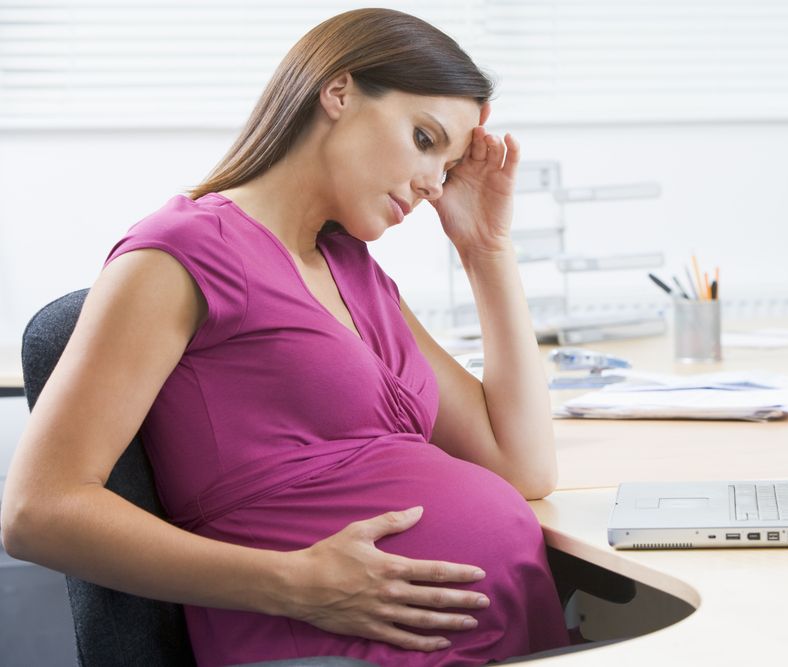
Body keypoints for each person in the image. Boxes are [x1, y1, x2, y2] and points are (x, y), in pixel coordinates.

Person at [1, 8, 572, 667]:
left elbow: (522, 464)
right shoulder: (181, 252)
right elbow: (37, 509)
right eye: (423, 139)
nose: (431, 182)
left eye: (445, 166)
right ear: (338, 92)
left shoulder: (354, 271)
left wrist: (485, 248)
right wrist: (298, 583)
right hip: (323, 645)